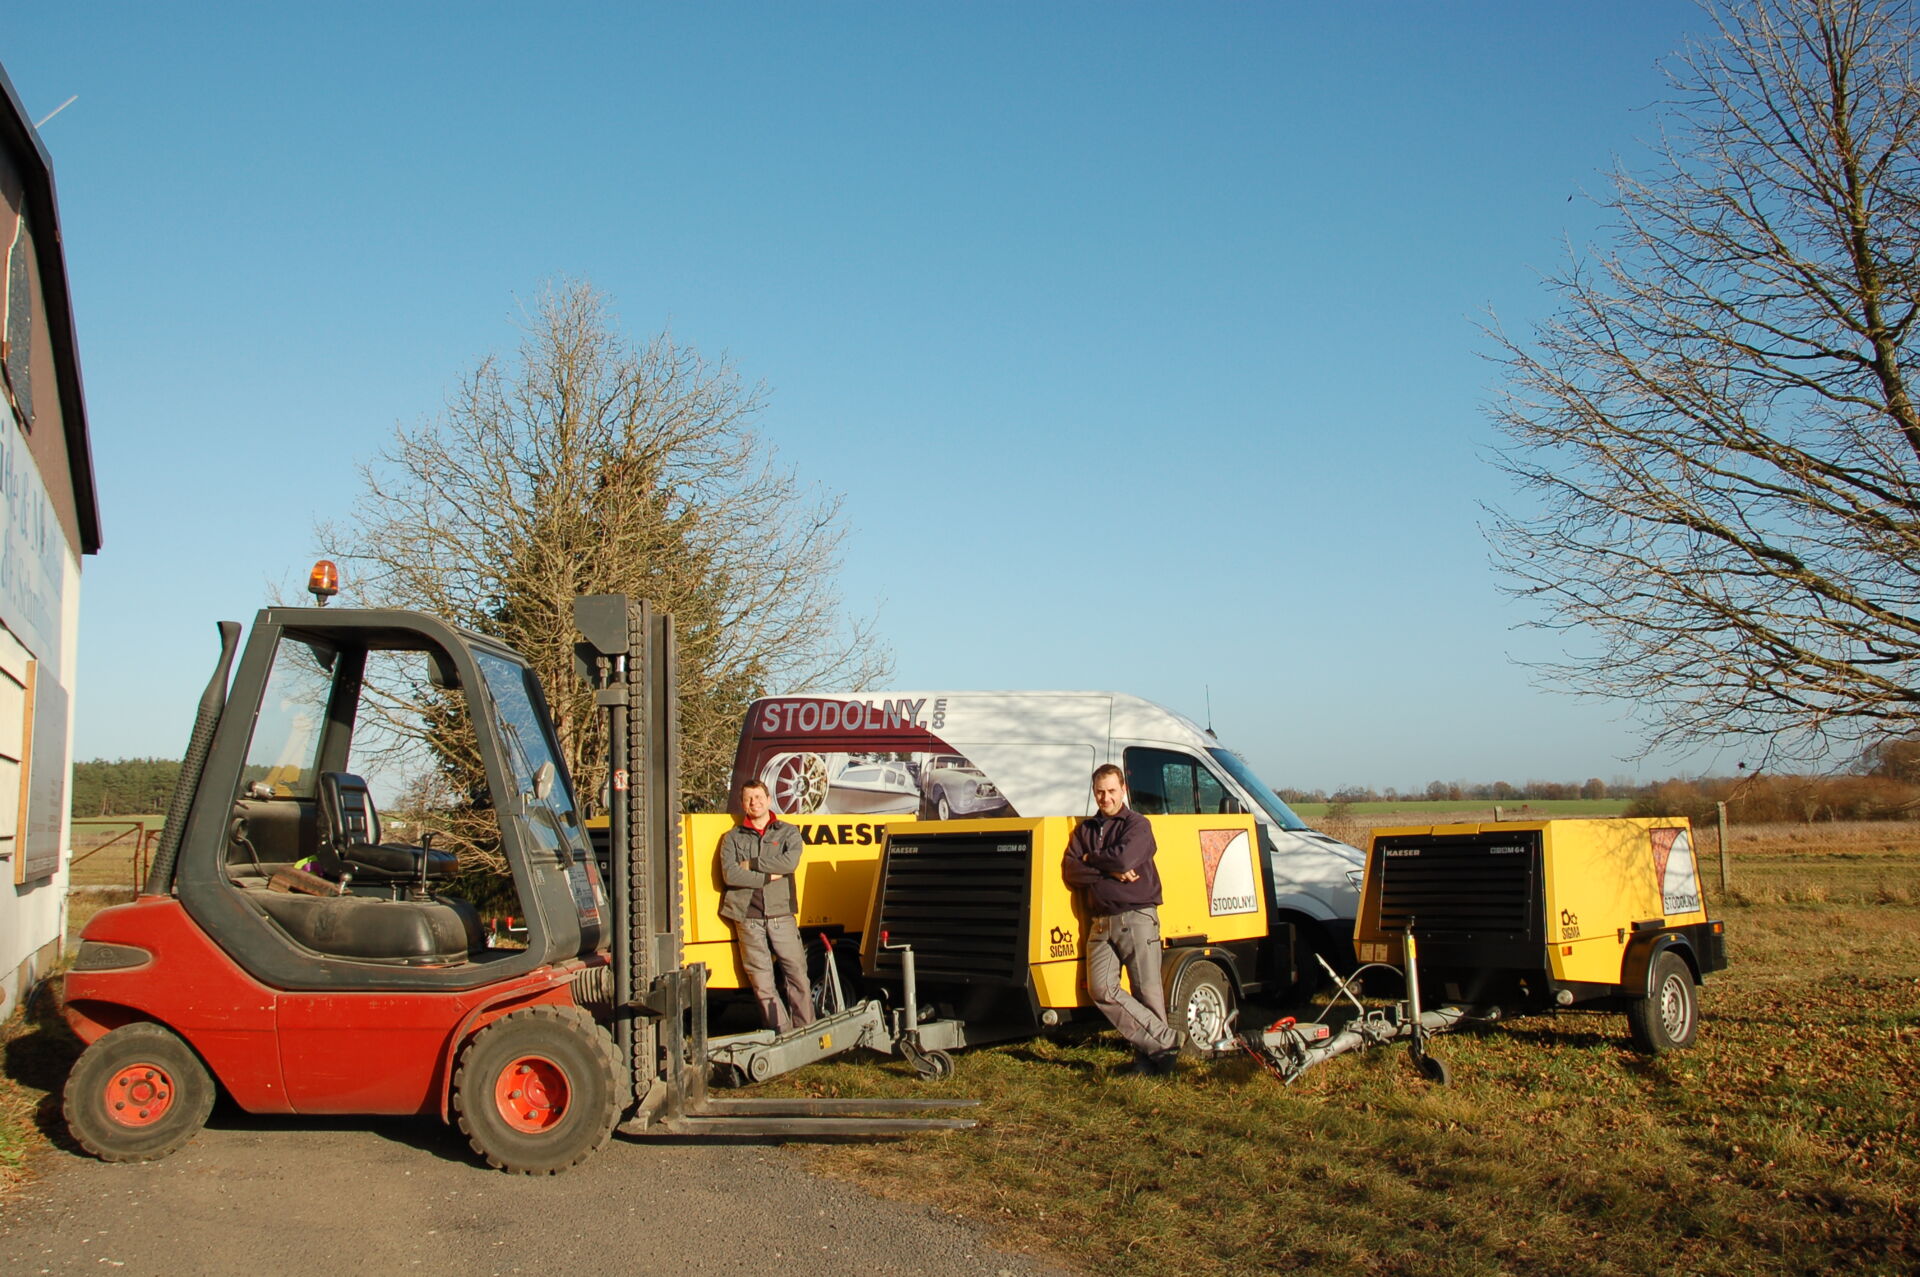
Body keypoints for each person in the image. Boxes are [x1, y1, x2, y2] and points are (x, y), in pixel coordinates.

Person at [1062, 763, 1180, 1075]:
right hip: (1100, 922)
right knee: (1101, 989)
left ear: (1123, 790)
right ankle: (1165, 1042)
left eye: (1112, 791)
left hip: (1136, 917)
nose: (1106, 797)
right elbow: (1071, 871)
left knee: (1147, 992)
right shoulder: (1085, 830)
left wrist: (1092, 859)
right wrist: (1110, 868)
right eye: (1100, 792)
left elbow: (1126, 858)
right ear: (1094, 792)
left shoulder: (1137, 825)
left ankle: (1151, 1064)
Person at [718, 779, 814, 1033]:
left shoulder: (787, 832)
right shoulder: (731, 838)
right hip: (747, 917)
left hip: (781, 914)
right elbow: (730, 875)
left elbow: (789, 863)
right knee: (762, 981)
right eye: (749, 798)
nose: (754, 803)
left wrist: (752, 864)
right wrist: (764, 877)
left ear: (769, 799)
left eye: (759, 797)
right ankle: (781, 1034)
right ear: (742, 804)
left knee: (797, 974)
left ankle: (806, 1031)